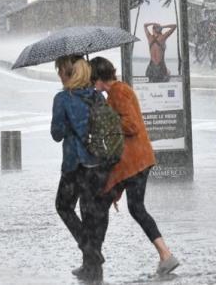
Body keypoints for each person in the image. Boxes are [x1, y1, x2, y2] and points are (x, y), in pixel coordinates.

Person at [89, 56, 180, 276]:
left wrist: (105, 119)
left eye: (93, 80)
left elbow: (130, 125)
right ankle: (164, 254)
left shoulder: (119, 92)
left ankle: (93, 258)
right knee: (131, 207)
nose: (92, 85)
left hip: (134, 161)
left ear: (99, 78)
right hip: (134, 160)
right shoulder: (117, 92)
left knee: (111, 202)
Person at [51, 55, 112, 282]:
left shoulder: (62, 99)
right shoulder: (97, 97)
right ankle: (91, 266)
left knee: (63, 205)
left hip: (74, 164)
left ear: (68, 73)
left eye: (60, 70)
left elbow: (56, 134)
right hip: (98, 163)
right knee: (91, 213)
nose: (59, 74)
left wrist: (68, 123)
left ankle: (90, 251)